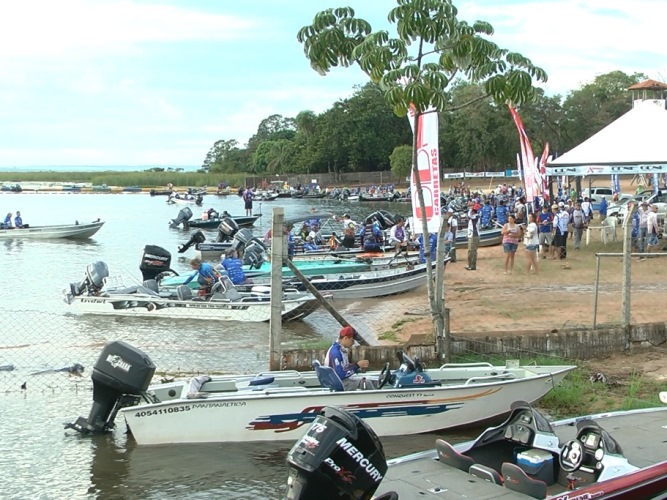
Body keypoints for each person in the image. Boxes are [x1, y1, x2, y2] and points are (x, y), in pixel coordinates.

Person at [323, 326, 375, 391]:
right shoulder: (336, 352)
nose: (353, 344)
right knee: (366, 383)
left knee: (371, 380)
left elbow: (345, 367)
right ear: (346, 338)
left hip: (338, 381)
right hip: (338, 384)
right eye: (352, 341)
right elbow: (340, 375)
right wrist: (357, 366)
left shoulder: (341, 349)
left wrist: (357, 366)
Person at [465, 204, 480, 271]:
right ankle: (470, 264)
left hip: (474, 235)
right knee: (470, 251)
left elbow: (469, 216)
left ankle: (472, 265)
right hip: (472, 235)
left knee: (472, 251)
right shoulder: (474, 217)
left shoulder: (476, 217)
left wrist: (470, 209)